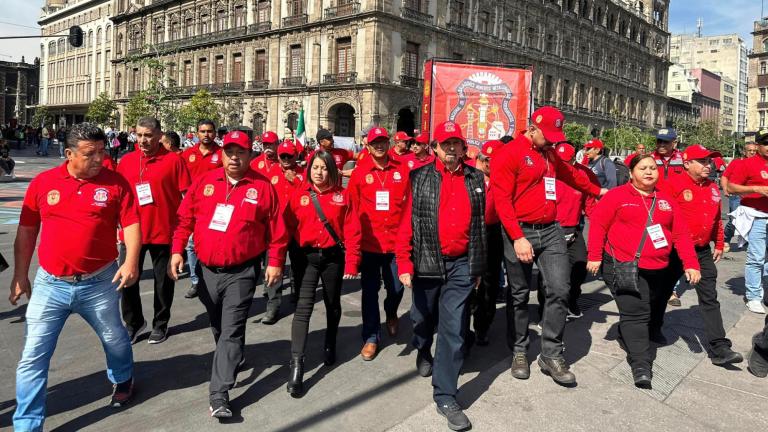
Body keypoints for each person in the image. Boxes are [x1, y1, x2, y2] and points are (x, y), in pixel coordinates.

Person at [11, 123, 141, 430]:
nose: (98, 159)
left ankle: (122, 378)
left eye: (101, 151)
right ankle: (27, 424)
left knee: (115, 338)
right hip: (50, 284)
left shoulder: (116, 183)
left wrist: (131, 260)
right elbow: (27, 231)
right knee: (33, 356)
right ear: (68, 154)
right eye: (89, 154)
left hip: (100, 282)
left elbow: (132, 224)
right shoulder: (44, 183)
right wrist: (20, 274)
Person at [169, 130, 288, 418]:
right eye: (230, 151)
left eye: (241, 152)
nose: (234, 157)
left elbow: (277, 231)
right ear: (222, 153)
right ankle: (233, 354)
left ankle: (219, 392)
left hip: (242, 271)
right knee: (219, 325)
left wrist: (275, 262)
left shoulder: (262, 187)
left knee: (232, 328)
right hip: (207, 270)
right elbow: (185, 219)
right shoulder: (205, 182)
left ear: (251, 155)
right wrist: (176, 250)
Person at [491, 106, 605, 385]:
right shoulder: (509, 154)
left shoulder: (550, 153)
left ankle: (550, 353)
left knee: (559, 288)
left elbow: (572, 175)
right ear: (532, 128)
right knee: (518, 293)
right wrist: (517, 237)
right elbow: (502, 200)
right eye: (549, 135)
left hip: (552, 229)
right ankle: (519, 350)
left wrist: (598, 191)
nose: (553, 140)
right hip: (519, 230)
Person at [396, 121, 486, 432]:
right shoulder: (419, 177)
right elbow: (406, 222)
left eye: (456, 144)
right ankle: (422, 346)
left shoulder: (476, 179)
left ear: (464, 148)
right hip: (426, 262)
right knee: (421, 317)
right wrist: (404, 263)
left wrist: (477, 268)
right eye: (445, 144)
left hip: (461, 266)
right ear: (435, 147)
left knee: (454, 330)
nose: (450, 149)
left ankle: (446, 395)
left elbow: (479, 230)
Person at [587, 154, 700, 388]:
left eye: (653, 168)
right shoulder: (617, 197)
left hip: (657, 266)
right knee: (636, 313)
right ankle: (641, 364)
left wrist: (690, 263)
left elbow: (680, 234)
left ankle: (625, 334)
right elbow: (598, 225)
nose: (649, 172)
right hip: (623, 266)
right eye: (642, 168)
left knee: (644, 310)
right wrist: (595, 257)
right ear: (631, 172)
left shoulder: (666, 200)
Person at [283, 150, 361, 396]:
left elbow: (353, 231)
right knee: (303, 309)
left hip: (333, 259)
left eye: (324, 168)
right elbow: (287, 226)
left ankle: (330, 341)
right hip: (307, 259)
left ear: (332, 171)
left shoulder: (343, 196)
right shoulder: (300, 195)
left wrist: (352, 263)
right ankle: (297, 364)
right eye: (315, 167)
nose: (319, 172)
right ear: (309, 170)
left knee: (331, 303)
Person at [659, 144, 744, 365]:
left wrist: (719, 242)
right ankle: (649, 328)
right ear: (687, 163)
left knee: (709, 296)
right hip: (675, 250)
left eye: (711, 161)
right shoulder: (672, 185)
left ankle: (719, 347)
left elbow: (716, 219)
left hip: (702, 251)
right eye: (704, 161)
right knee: (659, 292)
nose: (710, 165)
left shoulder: (713, 188)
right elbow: (660, 217)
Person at [117, 117, 191, 344]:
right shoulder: (127, 161)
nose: (143, 140)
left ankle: (161, 323)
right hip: (132, 233)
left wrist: (185, 232)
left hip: (163, 232)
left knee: (163, 283)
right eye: (139, 135)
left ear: (159, 135)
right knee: (127, 281)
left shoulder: (174, 161)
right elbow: (117, 197)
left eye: (148, 135)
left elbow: (187, 197)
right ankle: (134, 322)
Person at [347, 126, 410, 360]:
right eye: (375, 142)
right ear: (368, 146)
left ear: (389, 142)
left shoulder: (402, 170)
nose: (380, 145)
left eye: (383, 141)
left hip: (397, 245)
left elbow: (409, 205)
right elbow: (352, 212)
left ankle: (391, 312)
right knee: (369, 292)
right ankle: (371, 336)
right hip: (370, 244)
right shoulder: (359, 173)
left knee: (396, 287)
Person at [536, 143, 599, 320]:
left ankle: (571, 301)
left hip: (573, 228)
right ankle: (545, 311)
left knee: (579, 266)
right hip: (550, 228)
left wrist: (602, 225)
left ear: (574, 159)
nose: (563, 165)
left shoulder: (584, 175)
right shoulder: (547, 170)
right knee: (548, 273)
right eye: (560, 161)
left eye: (568, 161)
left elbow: (591, 203)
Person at [725, 130, 768, 314]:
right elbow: (731, 187)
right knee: (756, 257)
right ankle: (754, 296)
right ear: (757, 145)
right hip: (757, 215)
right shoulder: (747, 164)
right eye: (765, 143)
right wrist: (755, 188)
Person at [181, 119, 224, 299]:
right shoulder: (187, 154)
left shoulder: (222, 154)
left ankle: (215, 277)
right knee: (191, 245)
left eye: (209, 131)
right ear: (197, 133)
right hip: (193, 205)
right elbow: (181, 181)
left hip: (216, 206)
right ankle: (196, 281)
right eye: (202, 131)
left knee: (214, 241)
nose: (206, 135)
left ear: (214, 133)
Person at [467, 139, 503, 347]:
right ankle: (463, 325)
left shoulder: (503, 179)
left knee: (489, 283)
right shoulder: (468, 175)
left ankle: (482, 326)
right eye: (487, 159)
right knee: (466, 280)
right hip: (469, 232)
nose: (490, 164)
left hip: (493, 233)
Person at [251, 131, 286, 324]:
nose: (268, 149)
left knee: (274, 262)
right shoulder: (255, 165)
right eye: (265, 144)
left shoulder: (284, 164)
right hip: (256, 223)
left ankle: (273, 306)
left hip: (275, 224)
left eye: (271, 145)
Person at [722, 142, 758, 250]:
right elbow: (725, 176)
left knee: (754, 220)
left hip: (752, 197)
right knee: (735, 220)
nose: (752, 152)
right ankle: (726, 240)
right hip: (736, 195)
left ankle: (747, 240)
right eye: (750, 150)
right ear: (744, 152)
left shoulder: (758, 164)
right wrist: (724, 188)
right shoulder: (736, 162)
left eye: (754, 151)